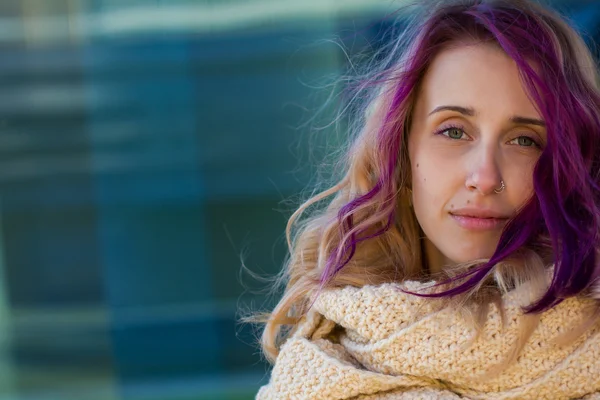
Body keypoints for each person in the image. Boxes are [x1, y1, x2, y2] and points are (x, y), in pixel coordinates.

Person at [254, 0, 600, 398]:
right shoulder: (315, 376)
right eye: (454, 131)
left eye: (524, 140)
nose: (485, 178)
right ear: (401, 149)